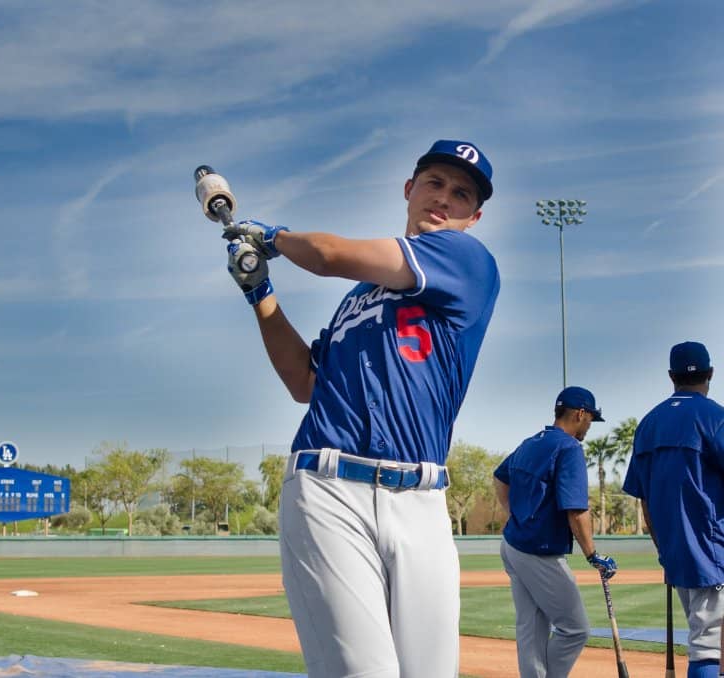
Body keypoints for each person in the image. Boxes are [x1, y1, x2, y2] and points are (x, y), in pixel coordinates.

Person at [222, 140, 499, 677]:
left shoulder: (468, 259)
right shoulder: (359, 298)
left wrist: (272, 237)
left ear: (474, 216)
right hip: (329, 490)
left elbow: (326, 255)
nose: (445, 198)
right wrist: (261, 293)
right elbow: (304, 382)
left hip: (422, 499)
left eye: (462, 194)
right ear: (409, 189)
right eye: (435, 183)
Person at [492, 386, 618, 678]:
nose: (589, 426)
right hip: (539, 551)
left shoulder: (531, 442)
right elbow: (575, 511)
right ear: (580, 413)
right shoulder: (569, 447)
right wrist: (593, 555)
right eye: (590, 419)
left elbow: (499, 478)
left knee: (531, 630)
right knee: (575, 629)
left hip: (513, 545)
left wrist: (514, 514)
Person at [622, 341, 724, 678]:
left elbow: (644, 499)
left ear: (671, 376)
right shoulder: (715, 417)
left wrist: (664, 547)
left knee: (705, 640)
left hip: (678, 552)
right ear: (710, 374)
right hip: (713, 552)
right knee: (710, 646)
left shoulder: (648, 424)